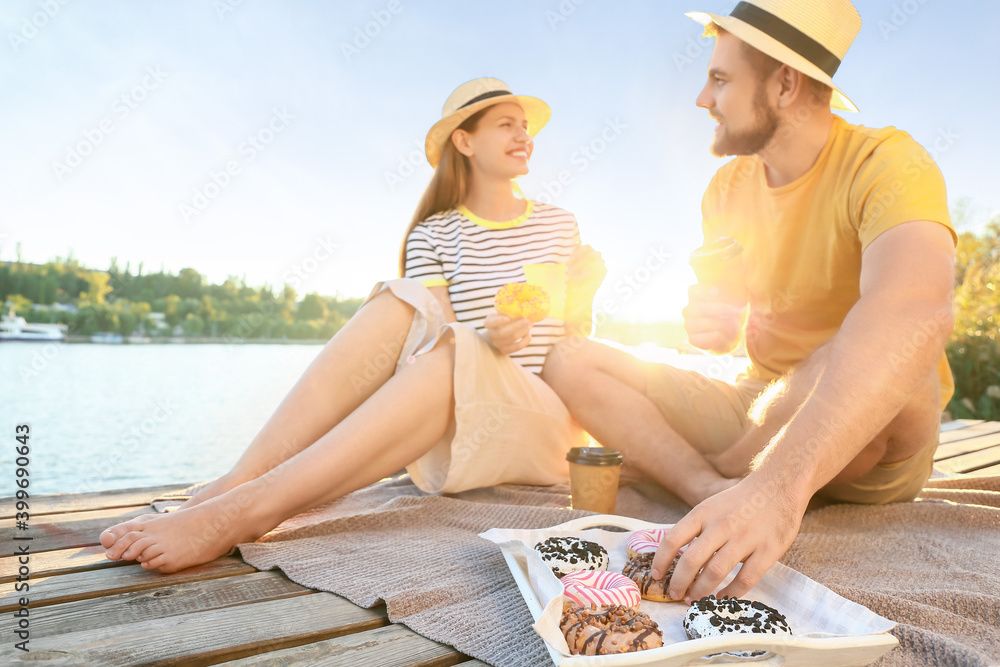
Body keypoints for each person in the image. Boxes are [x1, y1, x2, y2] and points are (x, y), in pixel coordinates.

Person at [99, 77, 603, 573]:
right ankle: (238, 480)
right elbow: (444, 341)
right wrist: (494, 337)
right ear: (465, 140)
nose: (524, 136)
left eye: (525, 126)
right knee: (399, 298)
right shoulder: (433, 233)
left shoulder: (559, 224)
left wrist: (587, 291)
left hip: (541, 420)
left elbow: (574, 343)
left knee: (455, 352)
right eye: (506, 125)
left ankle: (245, 511)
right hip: (462, 422)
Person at [543, 0, 956, 604]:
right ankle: (709, 483)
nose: (701, 98)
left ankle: (742, 480)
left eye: (719, 78)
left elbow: (915, 311)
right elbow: (726, 314)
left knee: (883, 358)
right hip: (756, 405)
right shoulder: (726, 187)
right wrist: (710, 321)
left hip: (860, 428)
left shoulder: (888, 163)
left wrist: (777, 489)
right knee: (568, 359)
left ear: (785, 83)